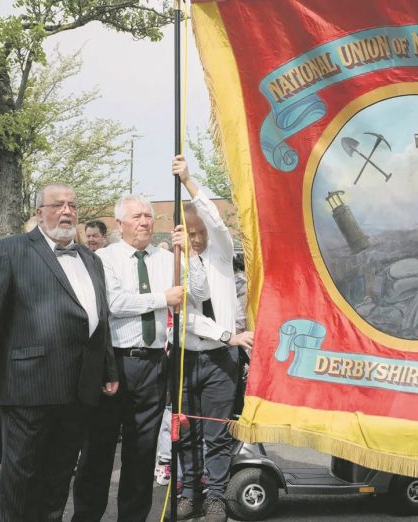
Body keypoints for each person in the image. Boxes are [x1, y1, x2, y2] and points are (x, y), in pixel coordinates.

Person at [72, 193, 208, 522]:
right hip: (113, 363)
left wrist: (188, 254)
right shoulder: (104, 259)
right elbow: (115, 303)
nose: (146, 221)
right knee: (99, 451)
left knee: (142, 452)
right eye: (137, 216)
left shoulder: (165, 258)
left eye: (149, 215)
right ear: (119, 224)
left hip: (152, 364)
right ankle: (87, 516)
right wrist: (163, 297)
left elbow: (199, 292)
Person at [0, 183, 118, 521]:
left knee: (59, 475)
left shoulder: (91, 259)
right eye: (57, 205)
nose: (66, 211)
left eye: (72, 205)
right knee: (21, 476)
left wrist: (108, 369)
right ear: (38, 212)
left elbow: (99, 316)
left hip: (79, 388)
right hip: (28, 385)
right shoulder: (9, 250)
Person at [172, 154, 254, 522]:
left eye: (201, 232)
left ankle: (217, 496)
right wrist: (226, 333)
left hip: (222, 358)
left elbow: (217, 220)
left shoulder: (221, 253)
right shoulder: (175, 262)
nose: (198, 239)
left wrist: (189, 181)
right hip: (189, 357)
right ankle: (190, 492)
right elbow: (186, 317)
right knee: (187, 431)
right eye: (190, 235)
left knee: (217, 433)